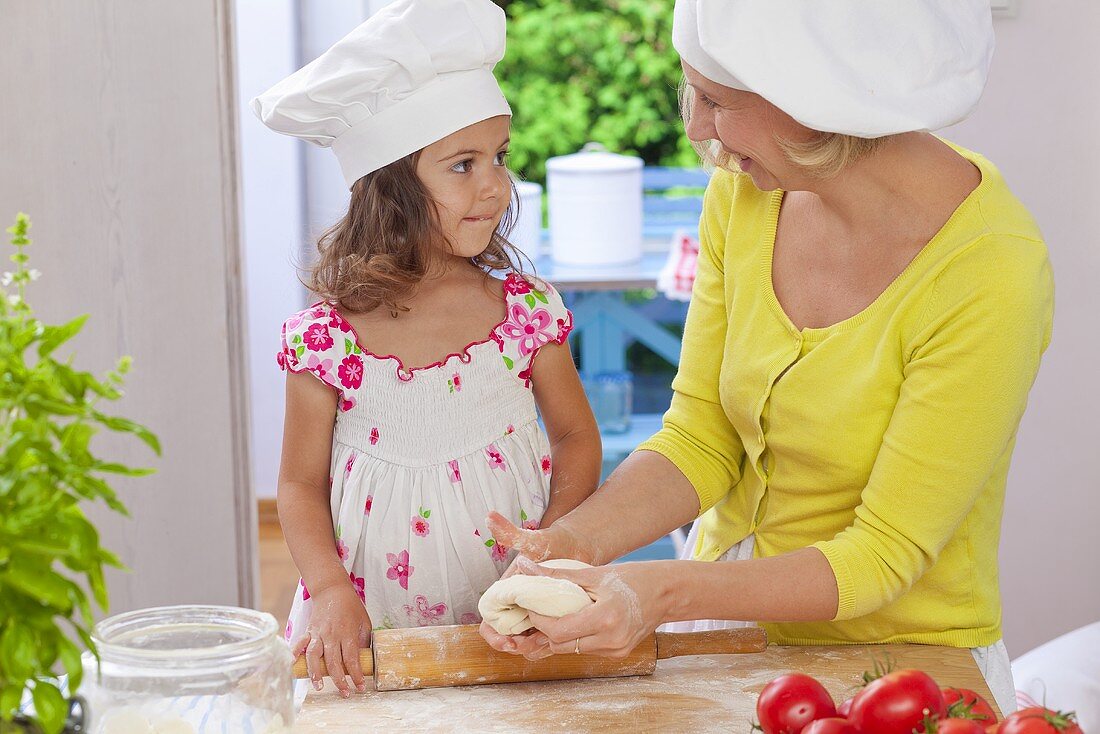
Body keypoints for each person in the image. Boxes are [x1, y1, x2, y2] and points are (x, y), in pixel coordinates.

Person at [480, 0, 1052, 713]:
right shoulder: (749, 190)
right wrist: (568, 541)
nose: (696, 131)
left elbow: (883, 553)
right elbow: (701, 437)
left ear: (816, 98)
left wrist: (660, 590)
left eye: (716, 101)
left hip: (897, 675)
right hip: (723, 630)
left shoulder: (990, 272)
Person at [252, 0, 600, 699]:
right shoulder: (327, 341)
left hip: (510, 618)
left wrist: (551, 552)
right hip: (367, 628)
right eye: (463, 165)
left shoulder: (525, 314)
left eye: (500, 157)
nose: (496, 185)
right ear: (391, 188)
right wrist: (326, 589)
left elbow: (576, 439)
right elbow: (296, 485)